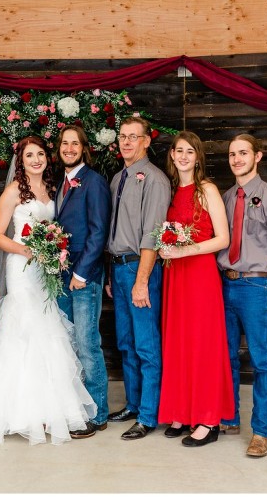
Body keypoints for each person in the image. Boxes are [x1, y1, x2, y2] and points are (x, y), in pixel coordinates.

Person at [0, 136, 96, 446]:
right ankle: (15, 412)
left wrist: (51, 249)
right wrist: (27, 251)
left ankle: (49, 407)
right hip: (21, 269)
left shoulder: (53, 188)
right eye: (29, 155)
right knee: (23, 329)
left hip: (44, 269)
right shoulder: (12, 192)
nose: (36, 159)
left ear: (47, 158)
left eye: (40, 154)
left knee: (47, 330)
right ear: (20, 161)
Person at [216, 133, 267, 458]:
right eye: (232, 154)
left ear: (257, 156)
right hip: (225, 284)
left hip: (255, 286)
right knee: (226, 356)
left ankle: (262, 432)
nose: (236, 159)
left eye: (243, 153)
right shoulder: (225, 197)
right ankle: (230, 417)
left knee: (262, 360)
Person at [156, 131, 234, 447]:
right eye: (180, 151)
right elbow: (168, 233)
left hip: (200, 274)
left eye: (191, 151)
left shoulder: (207, 190)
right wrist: (165, 248)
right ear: (172, 156)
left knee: (203, 344)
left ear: (197, 157)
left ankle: (207, 418)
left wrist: (186, 251)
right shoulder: (172, 192)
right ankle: (182, 411)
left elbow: (223, 239)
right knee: (178, 341)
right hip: (176, 276)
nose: (185, 156)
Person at [105, 116, 171, 440]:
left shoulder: (155, 180)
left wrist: (142, 280)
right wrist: (109, 273)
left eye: (134, 137)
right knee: (126, 344)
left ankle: (148, 415)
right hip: (117, 269)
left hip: (139, 269)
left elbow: (152, 235)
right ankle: (132, 404)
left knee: (146, 346)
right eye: (123, 137)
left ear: (146, 141)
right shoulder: (118, 179)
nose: (127, 142)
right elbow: (113, 232)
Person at [54, 126, 111, 439]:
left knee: (88, 344)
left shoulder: (94, 181)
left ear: (84, 148)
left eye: (75, 143)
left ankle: (98, 413)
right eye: (65, 143)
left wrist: (80, 274)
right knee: (69, 343)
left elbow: (98, 231)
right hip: (61, 276)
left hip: (82, 277)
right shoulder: (60, 184)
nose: (69, 148)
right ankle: (76, 408)